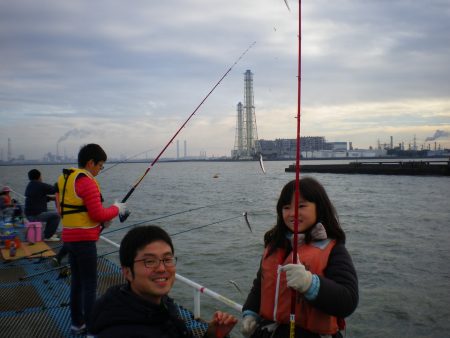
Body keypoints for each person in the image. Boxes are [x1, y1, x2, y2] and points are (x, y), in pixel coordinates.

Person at [241, 177, 358, 338]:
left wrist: (310, 284)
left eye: (301, 206)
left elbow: (348, 300)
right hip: (267, 331)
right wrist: (250, 312)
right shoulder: (275, 245)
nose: (292, 213)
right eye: (286, 207)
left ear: (320, 208)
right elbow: (260, 286)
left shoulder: (334, 250)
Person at [89, 225, 238, 338]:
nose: (161, 268)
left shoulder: (161, 304)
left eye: (167, 259)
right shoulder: (119, 330)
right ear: (127, 272)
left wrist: (213, 335)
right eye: (149, 261)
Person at [57, 143, 128, 335]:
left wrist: (103, 221)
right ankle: (91, 328)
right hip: (84, 243)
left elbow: (63, 209)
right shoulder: (87, 182)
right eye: (100, 166)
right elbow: (97, 214)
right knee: (90, 286)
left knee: (77, 283)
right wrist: (116, 209)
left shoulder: (65, 180)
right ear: (91, 163)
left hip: (69, 240)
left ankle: (76, 323)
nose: (100, 170)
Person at [24, 169, 61, 241]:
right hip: (35, 215)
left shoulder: (30, 185)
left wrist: (52, 198)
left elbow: (39, 197)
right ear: (39, 176)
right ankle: (48, 236)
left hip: (29, 214)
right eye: (41, 176)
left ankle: (48, 233)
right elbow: (55, 189)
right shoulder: (40, 185)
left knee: (52, 212)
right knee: (57, 215)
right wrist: (60, 183)